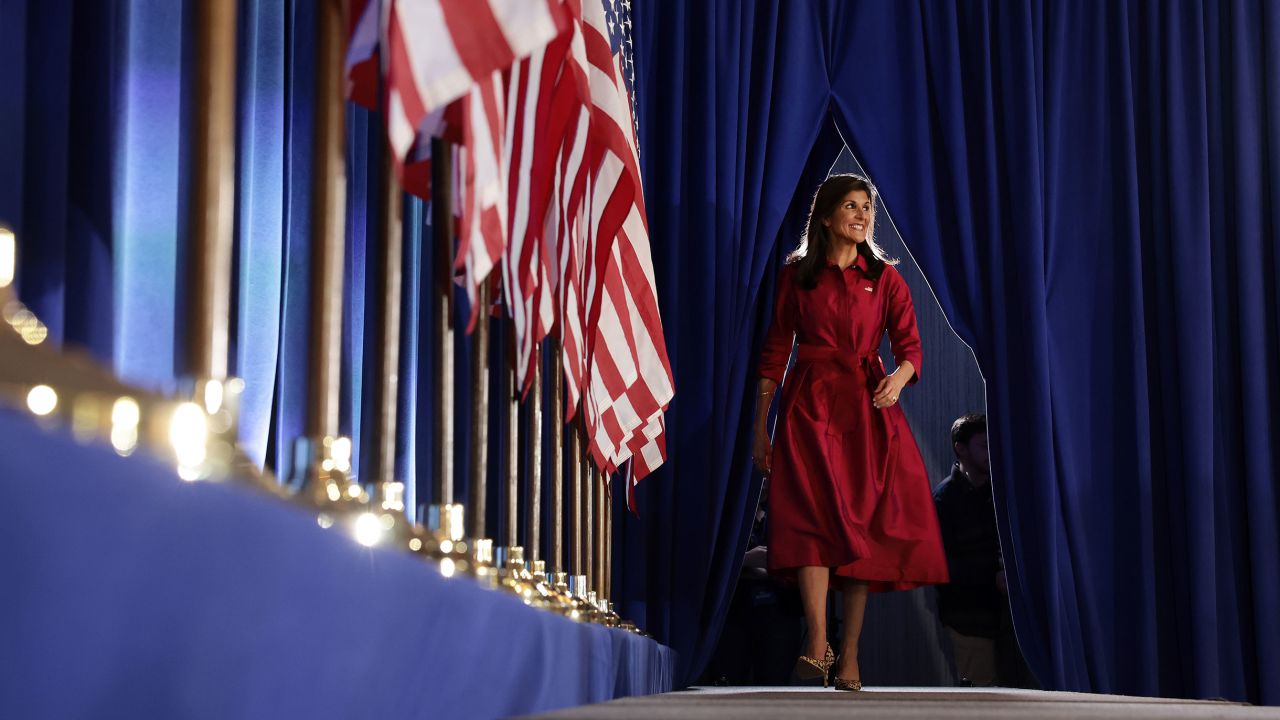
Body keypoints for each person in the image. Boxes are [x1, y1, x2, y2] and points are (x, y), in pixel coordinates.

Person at [751, 173, 949, 692]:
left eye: (868, 208)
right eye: (851, 206)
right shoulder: (797, 277)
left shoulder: (885, 278)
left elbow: (911, 349)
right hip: (807, 405)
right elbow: (775, 351)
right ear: (825, 215)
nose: (862, 216)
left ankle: (851, 655)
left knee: (859, 529)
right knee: (809, 519)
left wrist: (899, 379)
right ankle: (817, 641)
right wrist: (759, 425)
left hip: (864, 409)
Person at [933, 413, 1034, 687]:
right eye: (984, 445)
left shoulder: (1000, 491)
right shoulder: (945, 499)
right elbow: (940, 567)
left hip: (1008, 619)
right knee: (982, 694)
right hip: (969, 620)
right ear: (960, 448)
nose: (992, 452)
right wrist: (992, 577)